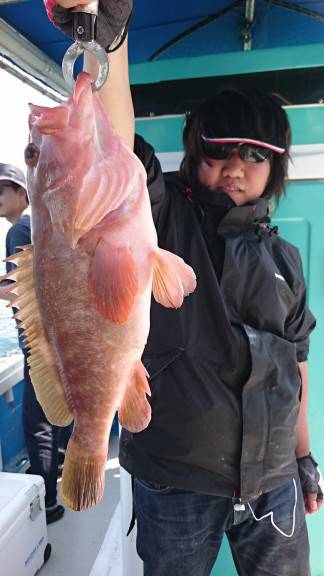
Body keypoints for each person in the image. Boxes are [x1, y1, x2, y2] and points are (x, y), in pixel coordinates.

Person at [47, 2, 323, 573]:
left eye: (254, 155)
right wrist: (109, 35)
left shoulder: (286, 260)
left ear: (277, 166)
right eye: (219, 150)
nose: (235, 166)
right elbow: (117, 144)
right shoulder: (162, 216)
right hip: (176, 480)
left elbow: (295, 364)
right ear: (196, 152)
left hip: (273, 480)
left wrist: (304, 456)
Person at [0, 163, 70, 524]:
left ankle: (48, 502)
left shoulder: (19, 230)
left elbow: (20, 290)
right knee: (57, 413)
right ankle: (57, 467)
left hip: (38, 342)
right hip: (57, 339)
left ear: (23, 194)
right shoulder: (37, 228)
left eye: (2, 189)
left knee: (38, 422)